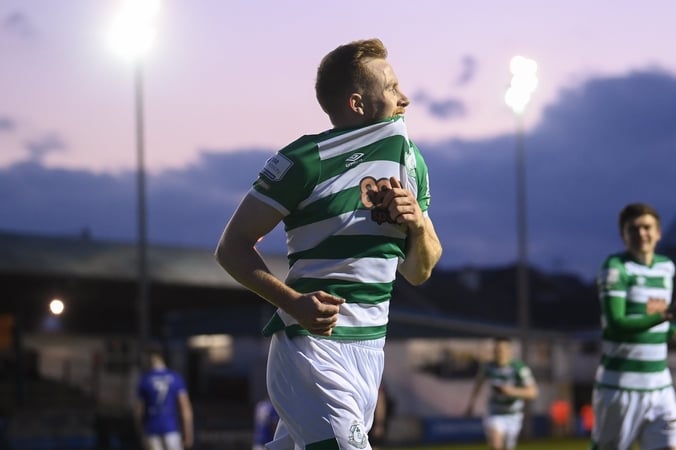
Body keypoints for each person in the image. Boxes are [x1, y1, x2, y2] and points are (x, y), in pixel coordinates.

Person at [215, 37, 442, 450]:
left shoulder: (410, 163)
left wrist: (418, 225)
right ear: (358, 103)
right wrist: (292, 302)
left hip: (370, 351)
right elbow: (231, 247)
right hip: (311, 350)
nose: (405, 98)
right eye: (391, 88)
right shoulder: (305, 161)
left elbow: (419, 270)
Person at [592, 202, 676, 450]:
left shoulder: (666, 267)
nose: (641, 233)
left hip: (660, 385)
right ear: (623, 235)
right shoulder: (615, 269)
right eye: (634, 229)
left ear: (658, 233)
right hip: (620, 387)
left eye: (647, 227)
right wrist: (670, 313)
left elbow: (657, 321)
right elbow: (616, 325)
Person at [465, 337, 538, 450]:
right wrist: (470, 405)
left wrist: (511, 391)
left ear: (509, 350)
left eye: (502, 350)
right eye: (496, 350)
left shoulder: (519, 368)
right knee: (496, 445)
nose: (499, 353)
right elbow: (477, 386)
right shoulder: (488, 367)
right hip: (494, 412)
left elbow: (533, 392)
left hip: (513, 414)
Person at [135, 346, 194, 450]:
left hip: (151, 429)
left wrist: (140, 432)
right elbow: (186, 409)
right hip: (171, 428)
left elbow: (139, 412)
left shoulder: (145, 379)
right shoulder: (175, 377)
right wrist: (188, 433)